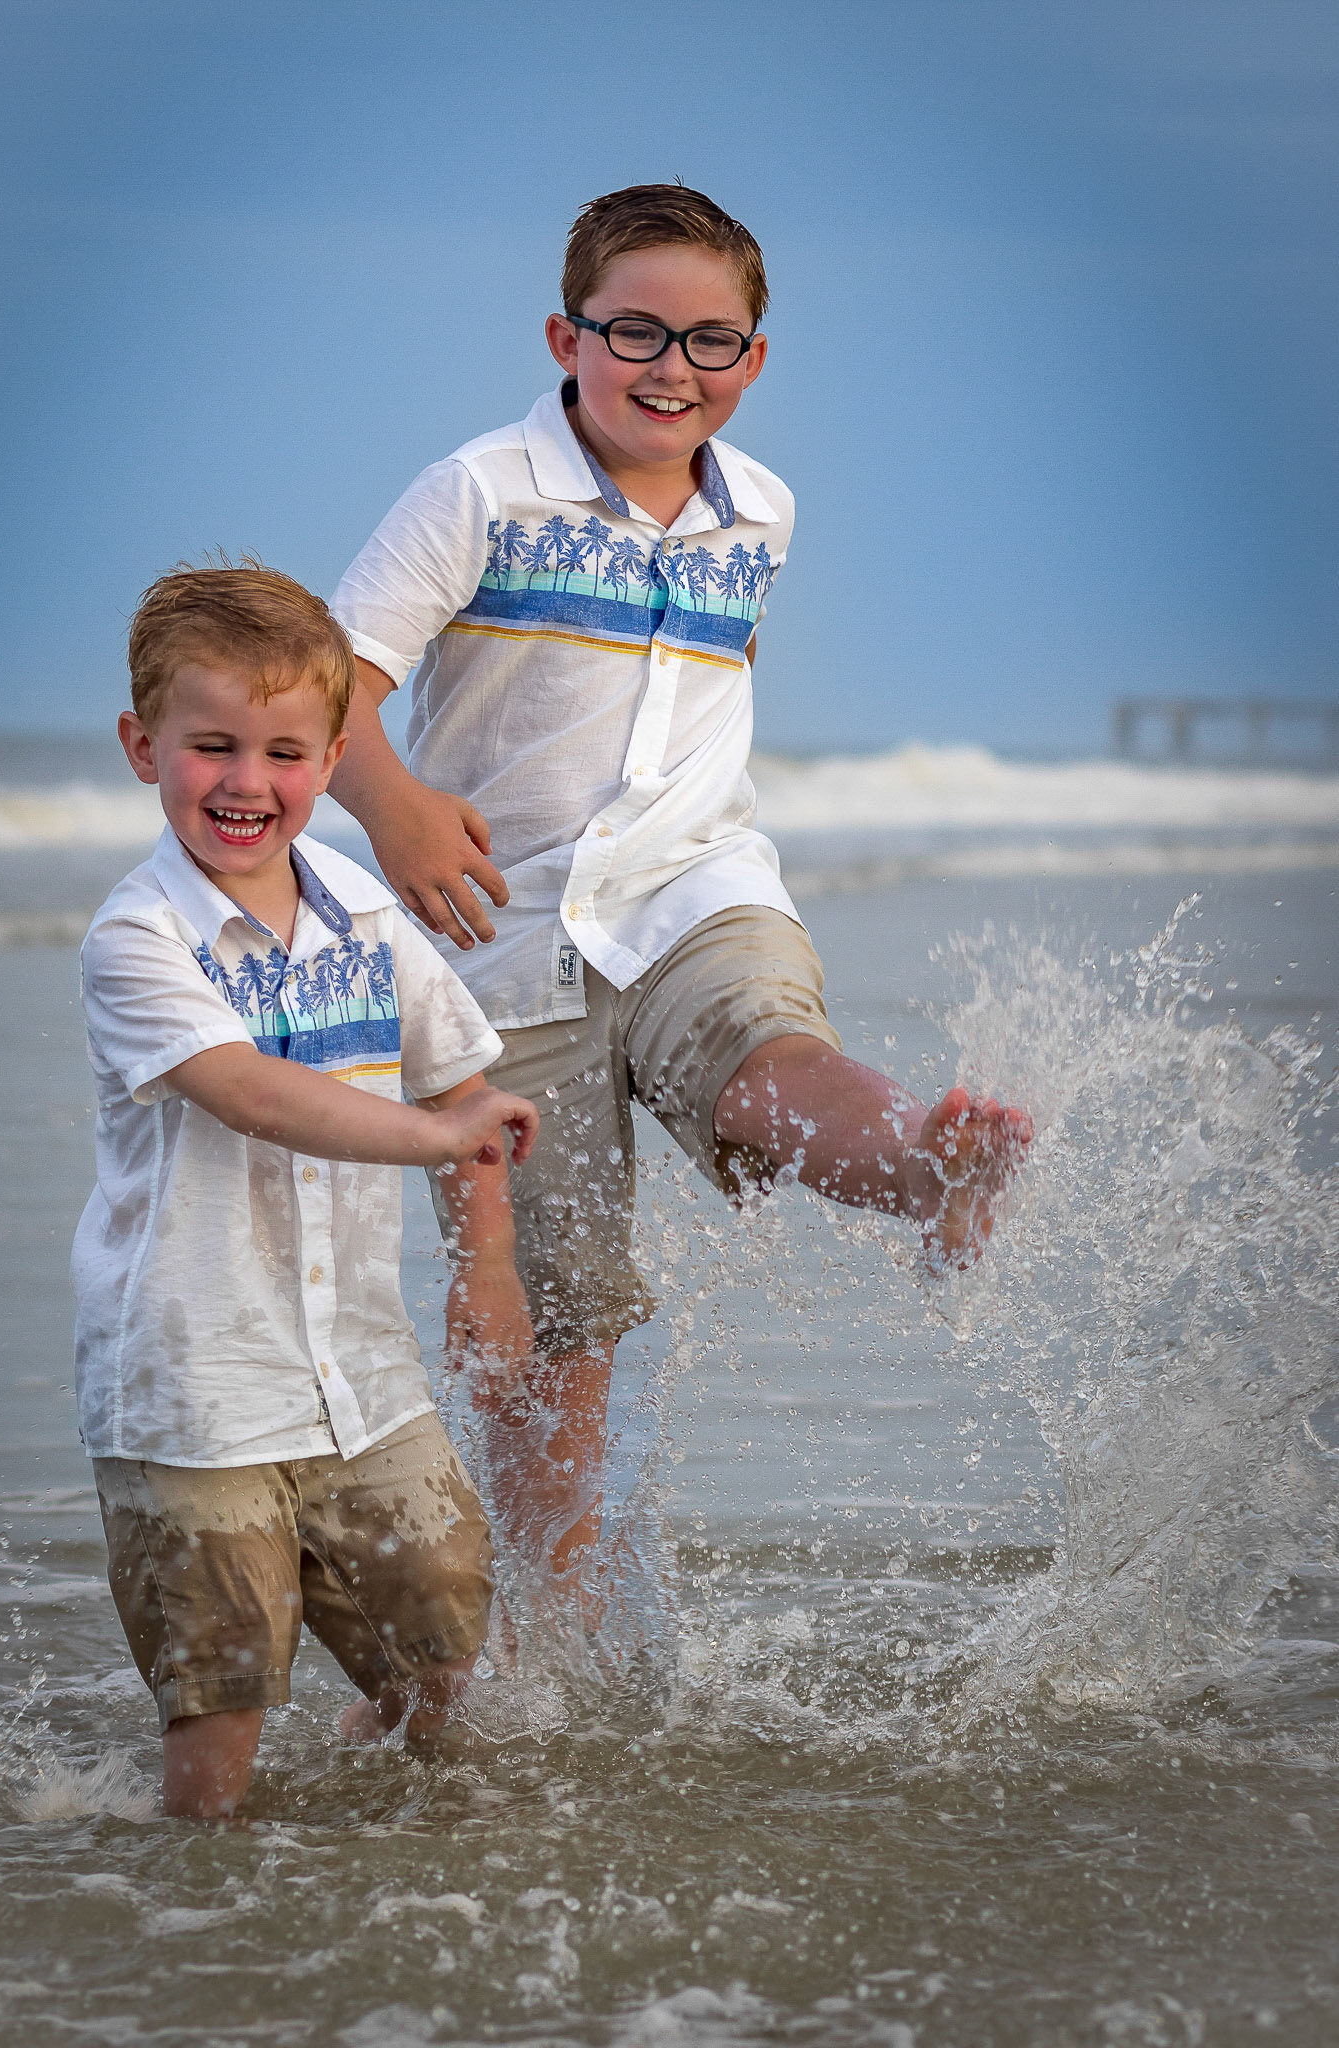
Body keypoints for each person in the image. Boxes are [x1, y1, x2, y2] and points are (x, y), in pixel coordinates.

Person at [326, 184, 1031, 1582]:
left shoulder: (759, 511)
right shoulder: (479, 491)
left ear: (752, 360)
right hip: (502, 934)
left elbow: (713, 681)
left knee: (767, 1049)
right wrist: (395, 813)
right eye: (634, 331)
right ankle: (555, 1619)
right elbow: (331, 683)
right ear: (566, 338)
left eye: (710, 340)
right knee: (560, 1323)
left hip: (691, 884)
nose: (671, 367)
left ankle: (920, 1161)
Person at [71, 562, 539, 1818]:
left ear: (332, 759)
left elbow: (464, 1085)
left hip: (362, 1373)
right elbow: (251, 1091)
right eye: (210, 745)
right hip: (198, 1388)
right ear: (143, 747)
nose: (247, 781)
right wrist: (434, 1139)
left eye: (283, 751)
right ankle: (200, 1883)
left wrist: (487, 1268)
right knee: (220, 1683)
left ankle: (383, 1839)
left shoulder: (365, 915)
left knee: (441, 1630)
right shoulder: (137, 938)